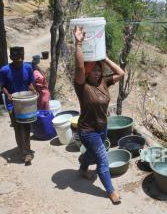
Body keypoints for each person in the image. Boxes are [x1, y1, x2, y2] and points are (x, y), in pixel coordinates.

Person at [73, 26, 125, 204]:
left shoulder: (104, 82)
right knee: (102, 160)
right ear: (87, 72)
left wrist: (105, 58)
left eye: (99, 69)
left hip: (103, 127)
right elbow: (79, 67)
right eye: (94, 70)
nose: (97, 72)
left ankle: (82, 165)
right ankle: (110, 191)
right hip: (88, 130)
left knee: (94, 153)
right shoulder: (82, 86)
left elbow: (121, 73)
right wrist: (78, 43)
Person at [0, 47, 37, 165]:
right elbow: (2, 86)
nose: (19, 62)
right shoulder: (4, 70)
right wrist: (8, 95)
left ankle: (25, 150)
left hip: (25, 102)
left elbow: (30, 82)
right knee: (18, 127)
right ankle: (25, 152)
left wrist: (32, 88)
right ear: (11, 58)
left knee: (26, 127)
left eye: (21, 59)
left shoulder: (28, 67)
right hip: (12, 103)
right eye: (16, 60)